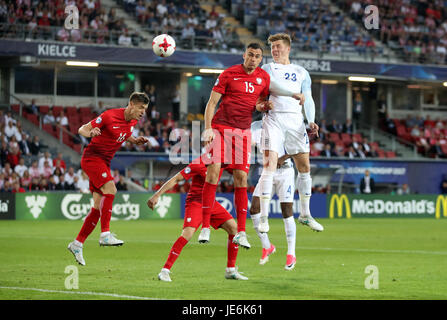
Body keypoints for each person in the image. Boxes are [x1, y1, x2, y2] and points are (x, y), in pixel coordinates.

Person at [198, 42, 274, 248]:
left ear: (260, 59)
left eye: (257, 56)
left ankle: (241, 231)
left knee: (241, 178)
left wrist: (264, 105)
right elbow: (212, 103)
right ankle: (205, 226)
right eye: (250, 55)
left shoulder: (263, 78)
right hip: (220, 128)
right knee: (213, 173)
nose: (253, 59)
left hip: (242, 133)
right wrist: (207, 128)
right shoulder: (228, 74)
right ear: (244, 55)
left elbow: (258, 102)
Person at [67, 92, 149, 266]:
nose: (143, 112)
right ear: (131, 105)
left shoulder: (133, 122)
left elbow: (123, 134)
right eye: (141, 108)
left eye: (145, 109)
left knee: (97, 207)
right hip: (92, 158)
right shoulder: (109, 115)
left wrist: (134, 141)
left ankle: (77, 244)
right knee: (111, 189)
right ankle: (105, 235)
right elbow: (82, 128)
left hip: (105, 161)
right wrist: (91, 133)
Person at [256, 33, 323, 237]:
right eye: (272, 47)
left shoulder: (301, 72)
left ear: (288, 48)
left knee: (304, 167)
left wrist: (310, 119)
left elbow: (308, 98)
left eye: (277, 46)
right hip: (274, 119)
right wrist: (262, 105)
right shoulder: (267, 69)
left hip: (295, 121)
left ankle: (305, 213)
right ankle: (264, 218)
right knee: (269, 165)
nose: (274, 50)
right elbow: (259, 100)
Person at [148, 160, 247, 282]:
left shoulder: (223, 162)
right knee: (187, 234)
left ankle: (230, 270)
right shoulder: (199, 163)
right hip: (196, 202)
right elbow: (176, 179)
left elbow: (239, 171)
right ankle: (164, 271)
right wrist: (157, 195)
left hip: (211, 203)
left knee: (234, 228)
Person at [250, 121, 297, 270]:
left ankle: (291, 253)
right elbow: (246, 142)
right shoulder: (257, 129)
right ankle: (267, 246)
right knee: (254, 208)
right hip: (267, 172)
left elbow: (297, 145)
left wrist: (283, 158)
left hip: (285, 172)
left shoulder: (284, 126)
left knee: (287, 211)